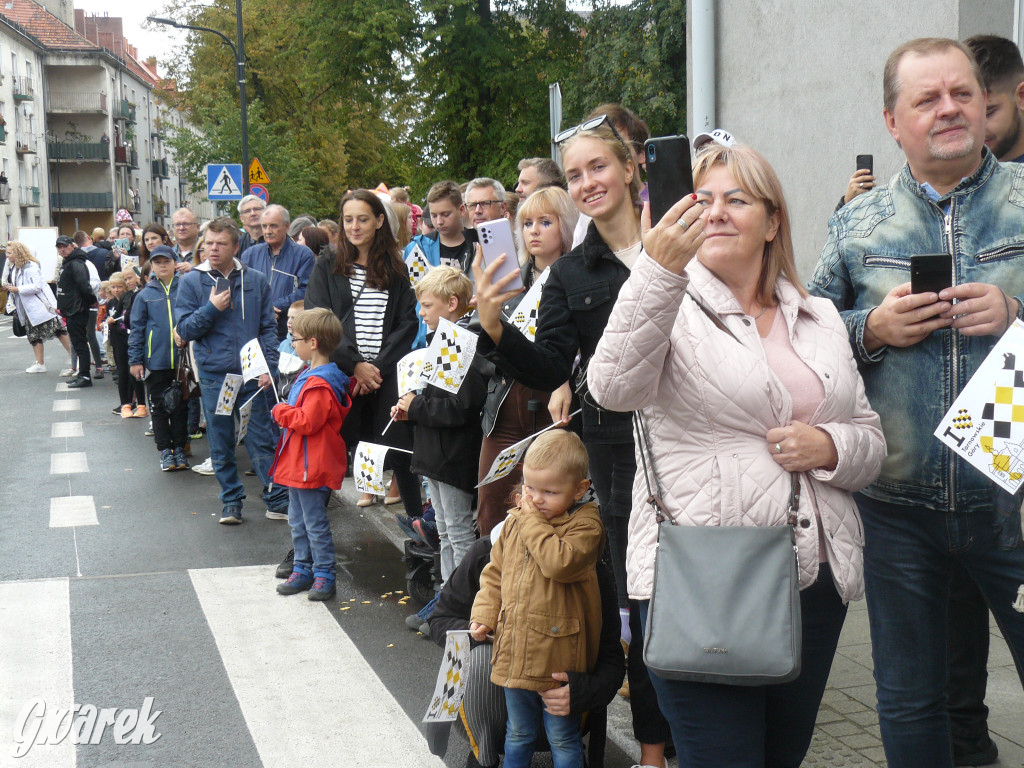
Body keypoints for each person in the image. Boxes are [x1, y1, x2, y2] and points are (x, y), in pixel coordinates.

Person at [587, 141, 885, 766]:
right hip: (706, 577)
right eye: (704, 200)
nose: (716, 212)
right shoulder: (666, 299)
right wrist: (657, 270)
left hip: (813, 578)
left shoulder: (821, 316)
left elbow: (870, 439)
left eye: (737, 199)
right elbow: (612, 390)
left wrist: (829, 444)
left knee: (782, 758)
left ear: (773, 220)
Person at [808, 38, 1024, 768]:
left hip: (1016, 500)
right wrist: (869, 328)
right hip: (897, 509)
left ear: (986, 106)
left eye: (963, 93)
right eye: (927, 99)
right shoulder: (856, 225)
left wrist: (1017, 311)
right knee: (907, 697)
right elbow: (798, 341)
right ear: (893, 120)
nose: (950, 109)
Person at [473, 115, 670, 768]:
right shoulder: (571, 275)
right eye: (577, 172)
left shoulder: (679, 238)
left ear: (633, 165)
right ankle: (650, 749)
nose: (589, 182)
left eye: (600, 166)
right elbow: (553, 366)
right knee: (638, 607)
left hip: (693, 445)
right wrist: (496, 328)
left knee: (691, 598)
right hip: (616, 458)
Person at [470, 430, 604, 768]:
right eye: (529, 487)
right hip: (515, 647)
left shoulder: (585, 526)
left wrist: (528, 520)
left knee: (562, 735)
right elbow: (495, 573)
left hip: (559, 655)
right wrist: (485, 612)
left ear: (580, 489)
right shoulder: (518, 521)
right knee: (518, 731)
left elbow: (559, 562)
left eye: (549, 491)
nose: (536, 499)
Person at [304, 189, 421, 515]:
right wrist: (355, 364)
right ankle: (306, 545)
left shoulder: (396, 268)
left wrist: (376, 369)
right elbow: (317, 316)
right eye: (349, 219)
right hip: (339, 375)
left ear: (379, 221)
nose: (354, 226)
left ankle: (419, 534)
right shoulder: (328, 264)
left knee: (399, 451)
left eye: (363, 219)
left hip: (383, 377)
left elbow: (407, 323)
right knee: (328, 457)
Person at [475, 186, 577, 537]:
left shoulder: (578, 278)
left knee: (545, 515)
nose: (534, 230)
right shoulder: (508, 282)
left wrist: (561, 379)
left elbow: (574, 349)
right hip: (503, 406)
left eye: (545, 221)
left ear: (565, 226)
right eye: (527, 222)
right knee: (491, 511)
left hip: (550, 410)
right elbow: (484, 354)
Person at [175, 216, 290, 524]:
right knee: (222, 439)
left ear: (235, 246)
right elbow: (184, 330)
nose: (212, 249)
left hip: (254, 375)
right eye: (208, 243)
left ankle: (276, 497)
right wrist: (211, 308)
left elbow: (268, 327)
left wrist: (270, 368)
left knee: (261, 436)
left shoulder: (254, 279)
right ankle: (231, 501)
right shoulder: (191, 281)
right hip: (217, 376)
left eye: (220, 243)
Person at [391, 266, 485, 582]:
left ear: (453, 303)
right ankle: (447, 596)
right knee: (445, 531)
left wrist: (417, 406)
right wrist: (411, 409)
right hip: (437, 453)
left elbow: (461, 408)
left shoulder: (462, 342)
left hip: (453, 455)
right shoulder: (444, 340)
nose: (421, 313)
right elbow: (438, 401)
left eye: (428, 305)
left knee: (457, 533)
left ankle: (461, 603)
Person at [271, 307, 353, 602]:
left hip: (310, 465)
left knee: (313, 523)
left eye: (295, 338)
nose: (292, 343)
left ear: (313, 342)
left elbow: (307, 421)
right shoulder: (312, 375)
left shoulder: (318, 382)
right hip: (301, 463)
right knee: (298, 520)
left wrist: (281, 410)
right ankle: (305, 569)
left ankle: (323, 574)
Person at [129, 246, 191, 471]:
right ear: (152, 266)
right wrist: (135, 360)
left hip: (183, 362)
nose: (162, 265)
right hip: (156, 362)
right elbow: (136, 329)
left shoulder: (185, 289)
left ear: (176, 263)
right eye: (157, 262)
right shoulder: (144, 295)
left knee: (182, 407)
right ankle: (165, 450)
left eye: (167, 261)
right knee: (159, 408)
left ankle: (180, 448)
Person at [241, 204, 316, 341]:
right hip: (255, 331)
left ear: (287, 226)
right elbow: (241, 289)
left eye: (273, 226)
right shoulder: (250, 255)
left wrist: (278, 305)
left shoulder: (303, 255)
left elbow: (307, 290)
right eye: (264, 226)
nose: (268, 231)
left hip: (288, 332)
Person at [4, 240, 71, 373]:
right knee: (33, 335)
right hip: (29, 309)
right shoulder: (16, 268)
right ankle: (40, 363)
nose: (7, 256)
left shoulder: (31, 267)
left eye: (9, 253)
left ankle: (76, 358)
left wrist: (18, 288)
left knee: (59, 331)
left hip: (41, 307)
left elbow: (37, 286)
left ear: (18, 253)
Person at [56, 235, 98, 389]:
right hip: (71, 308)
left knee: (80, 343)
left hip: (77, 309)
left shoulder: (76, 263)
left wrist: (91, 300)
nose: (62, 249)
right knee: (78, 342)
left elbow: (84, 286)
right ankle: (82, 374)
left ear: (72, 246)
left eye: (64, 246)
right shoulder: (68, 263)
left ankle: (85, 375)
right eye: (59, 247)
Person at [106, 273, 144, 417]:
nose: (116, 290)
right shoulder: (112, 303)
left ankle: (140, 404)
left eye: (120, 286)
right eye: (113, 287)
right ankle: (125, 404)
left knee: (134, 372)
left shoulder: (131, 297)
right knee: (122, 372)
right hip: (117, 339)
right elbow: (114, 318)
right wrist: (108, 323)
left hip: (130, 338)